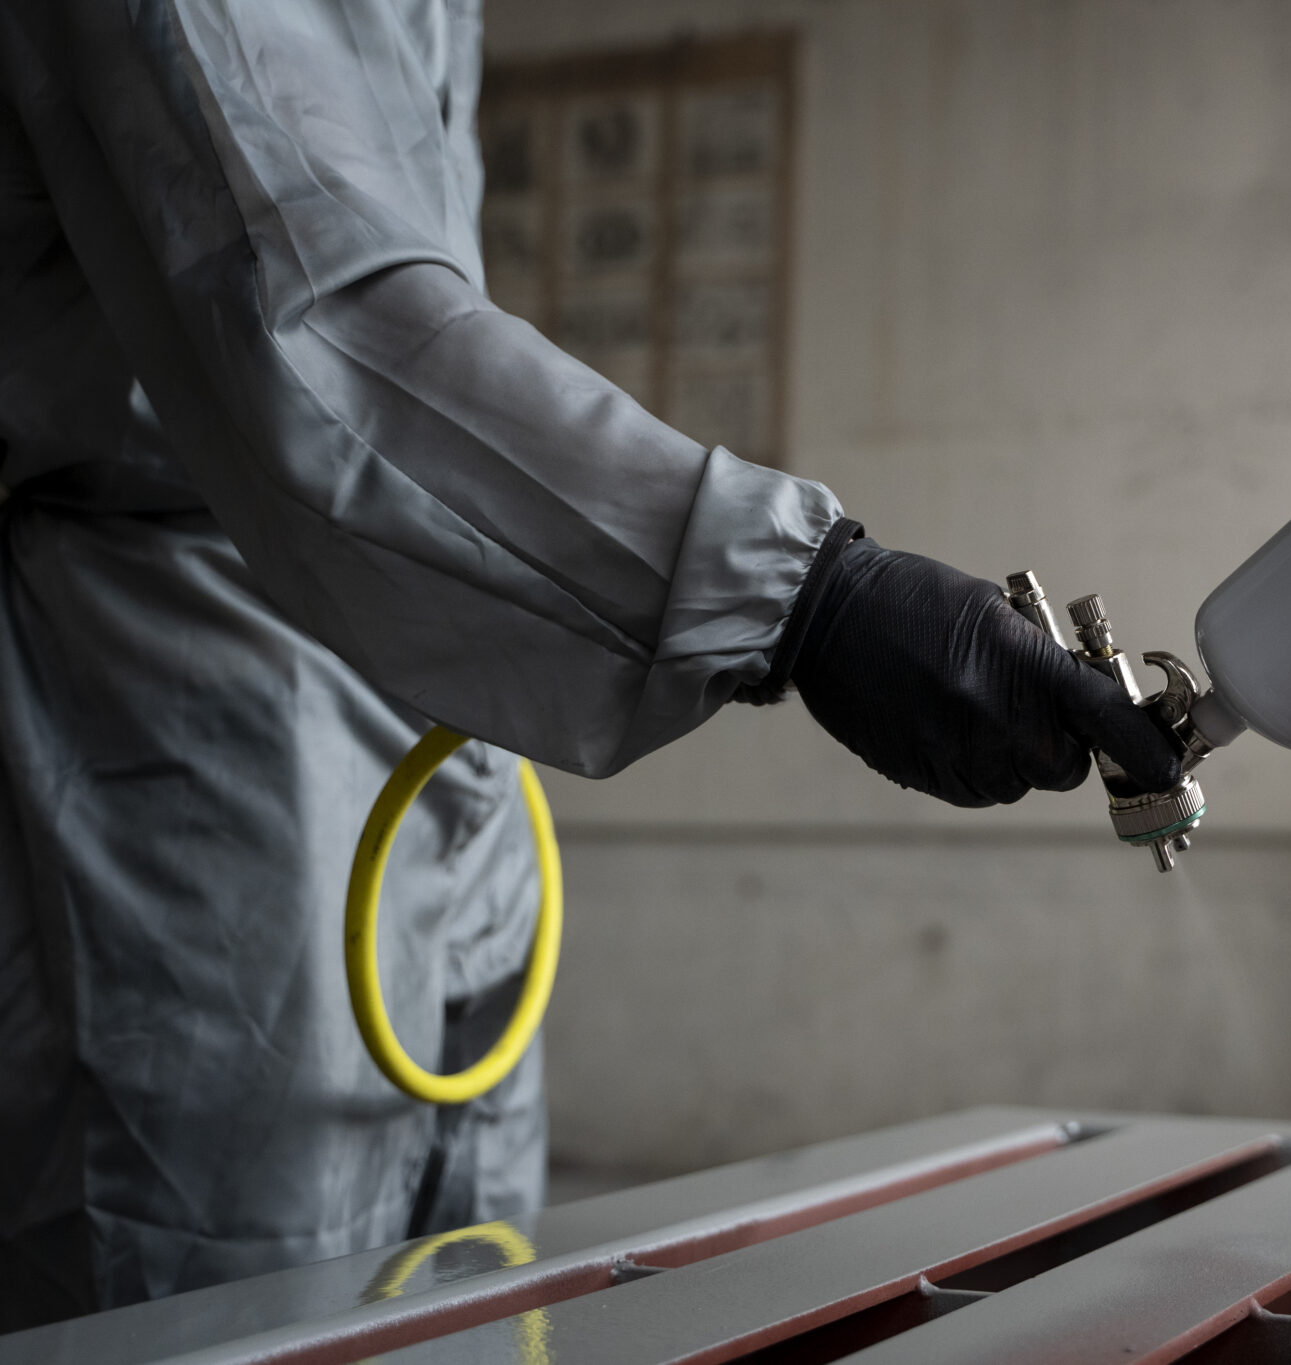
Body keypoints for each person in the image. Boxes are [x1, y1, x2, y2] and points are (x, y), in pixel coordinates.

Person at [0, 0, 1179, 1328]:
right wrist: (810, 598)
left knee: (480, 1283)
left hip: (451, 732)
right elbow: (322, 322)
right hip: (194, 720)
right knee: (236, 1292)